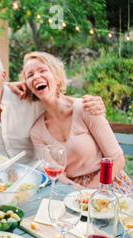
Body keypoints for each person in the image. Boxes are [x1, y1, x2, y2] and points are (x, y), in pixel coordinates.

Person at [0, 50, 107, 166]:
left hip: (38, 183)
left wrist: (85, 102)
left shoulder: (30, 101)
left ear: (3, 75)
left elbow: (57, 100)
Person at [23, 52, 131, 193]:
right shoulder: (36, 132)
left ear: (57, 77)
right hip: (70, 191)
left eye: (43, 70)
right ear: (28, 87)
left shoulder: (86, 108)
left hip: (107, 183)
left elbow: (117, 160)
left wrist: (89, 193)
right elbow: (58, 175)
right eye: (30, 75)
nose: (36, 76)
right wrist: (78, 194)